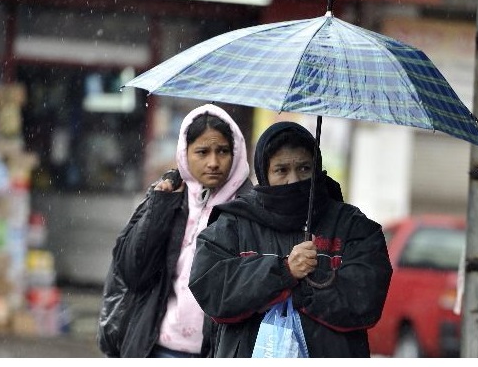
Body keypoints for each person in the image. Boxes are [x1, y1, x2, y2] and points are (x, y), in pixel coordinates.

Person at [188, 121, 393, 357]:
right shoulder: (235, 222)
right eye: (281, 170)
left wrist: (299, 292)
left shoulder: (352, 226)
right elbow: (212, 287)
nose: (294, 180)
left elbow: (365, 299)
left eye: (304, 168)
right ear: (264, 174)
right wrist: (284, 271)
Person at [97, 103, 252, 358]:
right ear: (184, 154)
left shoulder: (248, 209)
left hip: (216, 352)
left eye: (222, 151)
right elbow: (133, 272)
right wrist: (159, 208)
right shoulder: (168, 197)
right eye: (202, 152)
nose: (213, 162)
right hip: (157, 348)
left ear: (235, 153)